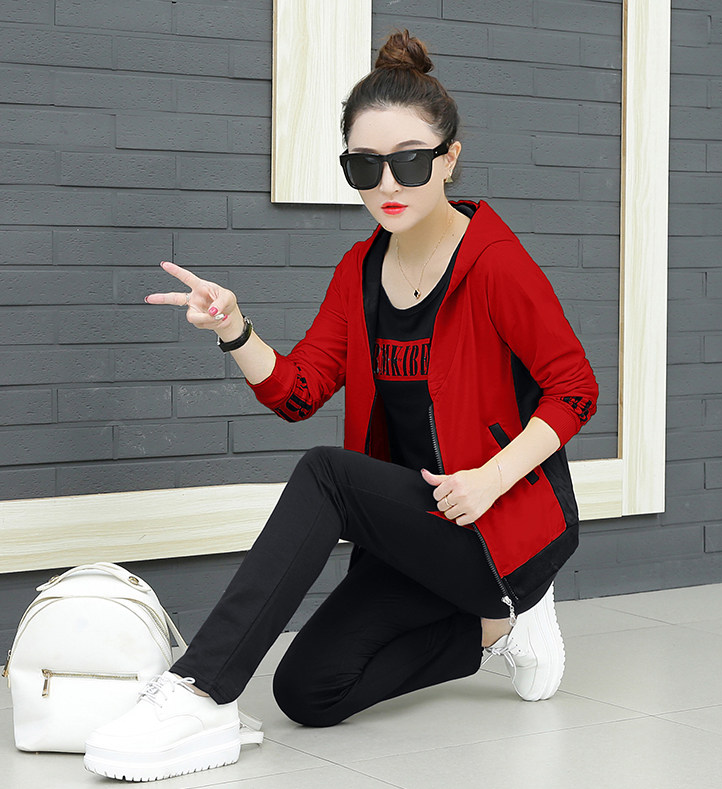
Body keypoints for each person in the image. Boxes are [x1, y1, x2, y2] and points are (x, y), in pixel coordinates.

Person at [84, 30, 598, 783]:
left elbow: (576, 387)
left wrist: (490, 477)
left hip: (498, 526)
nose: (388, 183)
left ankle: (199, 691)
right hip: (418, 529)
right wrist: (234, 328)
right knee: (309, 691)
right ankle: (496, 629)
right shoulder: (359, 270)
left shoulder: (494, 263)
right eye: (364, 165)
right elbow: (297, 392)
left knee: (327, 472)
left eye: (410, 161)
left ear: (449, 158)